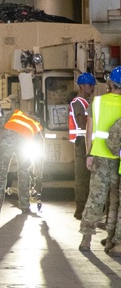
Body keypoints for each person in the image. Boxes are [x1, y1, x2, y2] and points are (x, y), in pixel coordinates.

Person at [79, 66, 121, 252]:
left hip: (101, 157)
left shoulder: (96, 102)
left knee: (96, 198)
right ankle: (112, 241)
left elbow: (89, 130)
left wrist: (89, 154)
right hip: (120, 161)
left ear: (110, 84)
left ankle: (86, 239)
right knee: (116, 202)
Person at [0, 102, 42, 215]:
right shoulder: (36, 126)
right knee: (24, 172)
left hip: (7, 139)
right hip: (21, 143)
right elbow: (38, 153)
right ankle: (24, 206)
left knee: (1, 172)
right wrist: (38, 175)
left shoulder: (14, 114)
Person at [70, 72, 96, 219]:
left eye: (92, 85)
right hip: (81, 142)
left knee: (88, 176)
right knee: (82, 177)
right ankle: (80, 210)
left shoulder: (87, 102)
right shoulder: (78, 102)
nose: (92, 87)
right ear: (81, 86)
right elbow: (81, 122)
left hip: (87, 141)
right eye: (89, 84)